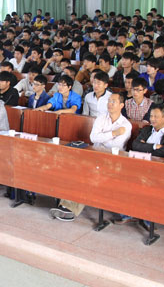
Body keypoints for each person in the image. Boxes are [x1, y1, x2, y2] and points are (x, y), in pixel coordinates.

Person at [50, 92, 131, 222]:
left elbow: (114, 145)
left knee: (87, 173)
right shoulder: (101, 118)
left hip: (113, 160)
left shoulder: (126, 125)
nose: (109, 104)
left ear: (121, 105)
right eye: (109, 101)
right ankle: (65, 204)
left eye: (113, 101)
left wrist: (102, 137)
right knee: (74, 167)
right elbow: (93, 138)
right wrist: (114, 133)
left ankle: (69, 208)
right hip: (94, 155)